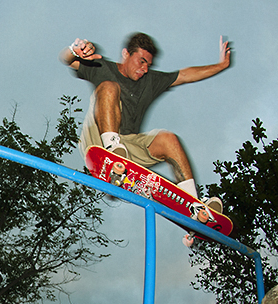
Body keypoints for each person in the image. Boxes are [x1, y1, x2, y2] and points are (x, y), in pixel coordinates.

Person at [60, 33, 231, 210]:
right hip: (96, 140)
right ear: (126, 54)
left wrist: (221, 65)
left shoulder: (150, 81)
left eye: (148, 65)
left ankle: (193, 205)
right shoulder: (102, 67)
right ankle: (111, 151)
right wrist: (74, 49)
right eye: (141, 61)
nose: (145, 69)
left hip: (127, 146)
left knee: (168, 139)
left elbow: (185, 75)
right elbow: (67, 59)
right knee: (109, 86)